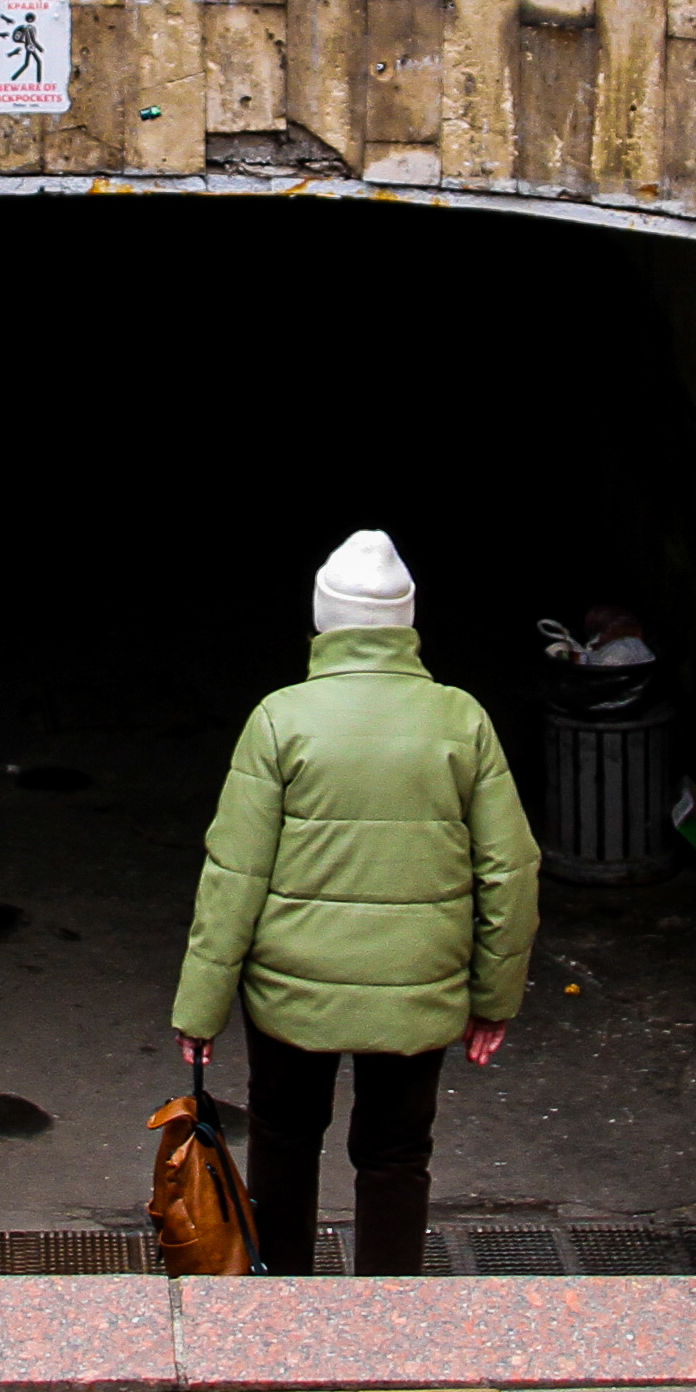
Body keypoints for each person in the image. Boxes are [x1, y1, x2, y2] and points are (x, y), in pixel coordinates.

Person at [172, 530, 537, 1277]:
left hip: (290, 987)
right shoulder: (460, 719)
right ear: (406, 622)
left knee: (283, 1139)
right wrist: (493, 999)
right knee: (399, 1155)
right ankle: (388, 1321)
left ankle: (288, 1309)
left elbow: (233, 875)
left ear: (323, 620)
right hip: (418, 983)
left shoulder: (281, 718)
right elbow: (511, 870)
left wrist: (200, 1005)